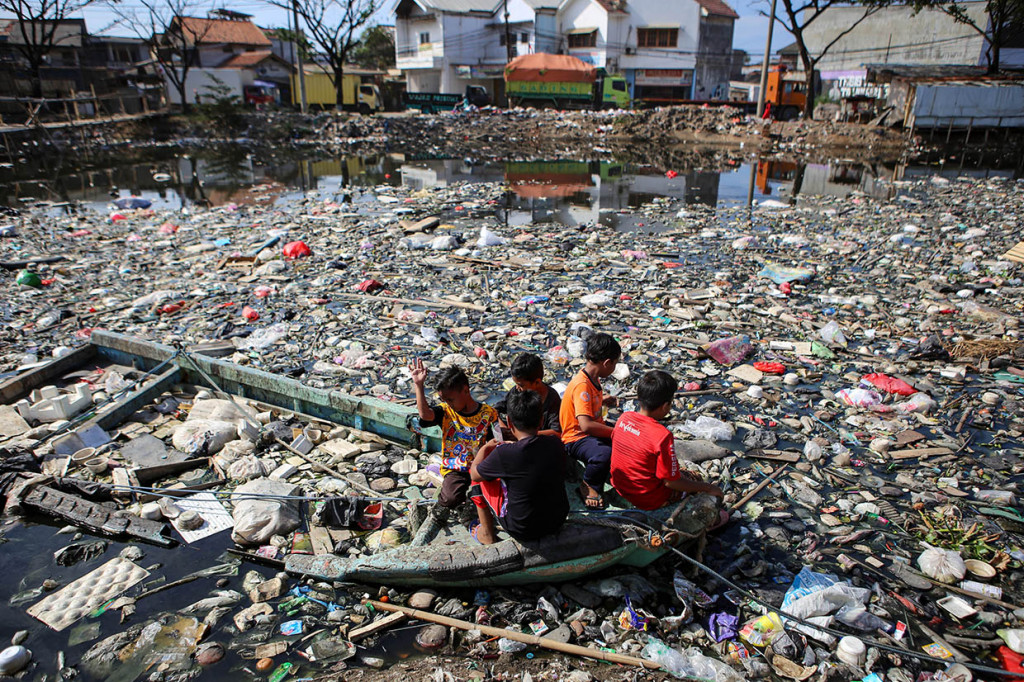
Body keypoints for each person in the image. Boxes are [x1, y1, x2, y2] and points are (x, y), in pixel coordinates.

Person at [611, 370, 723, 511]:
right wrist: (708, 487)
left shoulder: (624, 418)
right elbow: (671, 482)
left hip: (621, 487)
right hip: (648, 498)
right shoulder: (661, 436)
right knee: (695, 478)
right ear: (665, 406)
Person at [469, 389, 569, 544]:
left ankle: (487, 533)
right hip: (557, 520)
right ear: (541, 421)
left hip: (522, 529)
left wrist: (485, 448)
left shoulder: (504, 453)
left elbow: (474, 474)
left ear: (509, 422)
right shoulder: (555, 443)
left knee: (478, 479)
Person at [410, 358, 499, 509]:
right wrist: (418, 385)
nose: (448, 403)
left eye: (451, 399)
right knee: (450, 499)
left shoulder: (488, 413)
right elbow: (425, 415)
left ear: (466, 390)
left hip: (481, 466)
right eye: (444, 399)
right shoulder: (446, 411)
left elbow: (496, 442)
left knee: (491, 496)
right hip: (456, 468)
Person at [559, 332, 621, 508]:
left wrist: (602, 400)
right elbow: (585, 426)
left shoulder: (592, 378)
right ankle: (588, 485)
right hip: (575, 437)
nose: (614, 368)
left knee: (624, 433)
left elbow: (586, 404)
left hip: (591, 429)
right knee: (604, 454)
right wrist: (614, 433)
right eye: (615, 364)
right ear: (607, 363)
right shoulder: (582, 385)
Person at [496, 353, 561, 438]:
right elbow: (495, 410)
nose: (517, 387)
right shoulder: (517, 391)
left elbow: (557, 432)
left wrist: (523, 435)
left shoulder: (552, 400)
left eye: (521, 385)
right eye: (516, 384)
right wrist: (502, 428)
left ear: (537, 382)